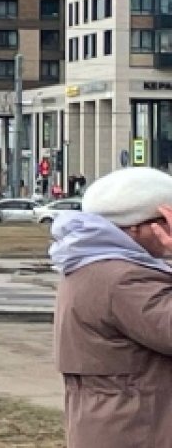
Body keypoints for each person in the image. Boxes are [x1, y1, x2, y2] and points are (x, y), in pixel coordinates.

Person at [50, 167, 172, 447]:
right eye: (166, 219)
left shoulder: (89, 264)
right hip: (139, 431)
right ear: (136, 226)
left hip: (115, 425)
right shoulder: (125, 279)